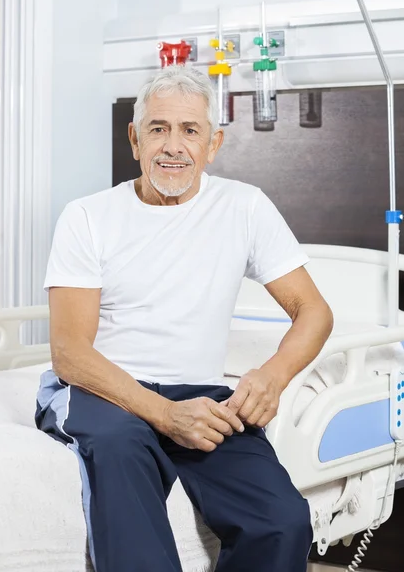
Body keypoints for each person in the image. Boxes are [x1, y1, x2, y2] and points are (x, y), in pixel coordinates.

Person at [35, 65, 333, 572]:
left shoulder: (244, 207)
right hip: (105, 394)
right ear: (135, 139)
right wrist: (162, 413)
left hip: (201, 396)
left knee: (282, 521)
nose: (173, 146)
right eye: (158, 128)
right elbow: (69, 353)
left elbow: (314, 311)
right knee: (120, 454)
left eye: (190, 131)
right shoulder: (87, 217)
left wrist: (273, 375)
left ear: (213, 144)